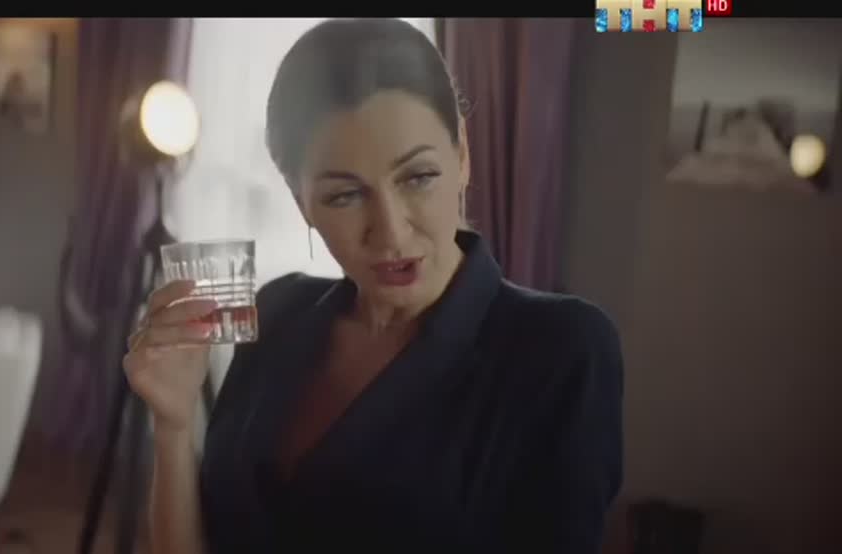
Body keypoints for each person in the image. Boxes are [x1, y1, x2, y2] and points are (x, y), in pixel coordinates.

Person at [123, 18, 624, 554]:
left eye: (418, 177)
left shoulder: (559, 349)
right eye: (344, 196)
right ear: (301, 202)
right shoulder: (278, 310)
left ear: (461, 156)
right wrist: (174, 425)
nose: (390, 232)